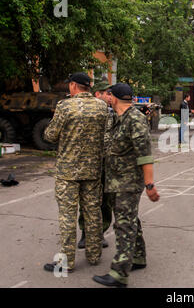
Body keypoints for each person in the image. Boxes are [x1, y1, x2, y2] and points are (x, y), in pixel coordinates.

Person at [93, 83, 160, 288]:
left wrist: (150, 185)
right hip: (116, 181)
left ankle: (119, 274)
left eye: (108, 95)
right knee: (129, 219)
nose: (107, 98)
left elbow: (145, 155)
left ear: (113, 97)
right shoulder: (117, 118)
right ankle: (138, 257)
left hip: (128, 183)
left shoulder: (135, 119)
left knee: (124, 224)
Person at [43, 72, 108, 273]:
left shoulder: (65, 106)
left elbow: (51, 135)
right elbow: (106, 137)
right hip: (93, 170)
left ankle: (67, 262)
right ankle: (94, 255)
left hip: (67, 172)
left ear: (73, 86)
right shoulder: (102, 106)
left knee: (68, 217)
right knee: (93, 212)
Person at [77, 81, 114, 249]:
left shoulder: (112, 113)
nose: (110, 97)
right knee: (87, 199)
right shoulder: (83, 112)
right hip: (88, 163)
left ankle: (100, 233)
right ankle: (86, 233)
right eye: (107, 93)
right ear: (97, 94)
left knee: (105, 200)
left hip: (106, 164)